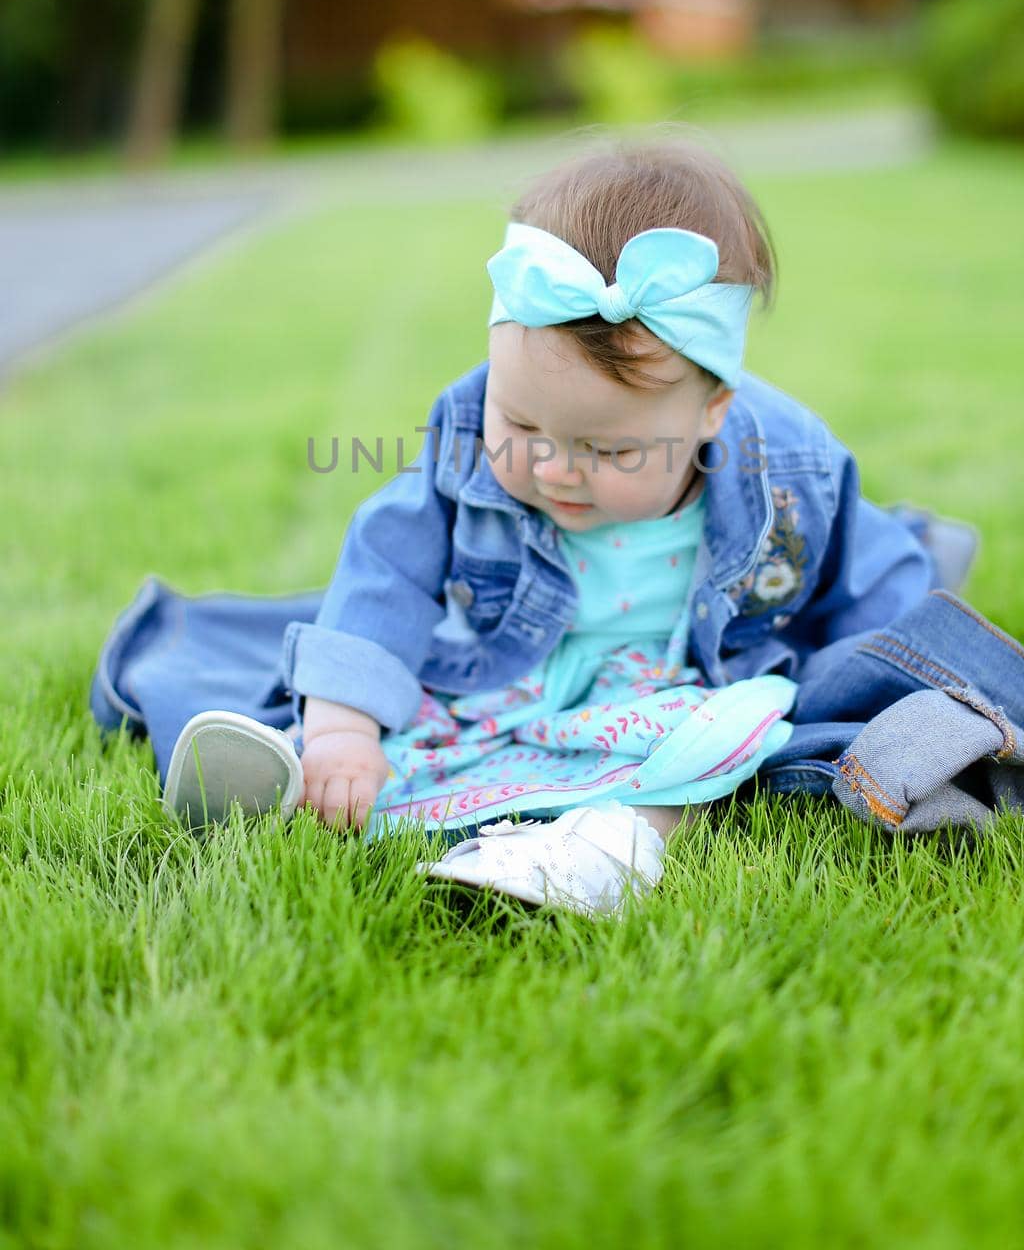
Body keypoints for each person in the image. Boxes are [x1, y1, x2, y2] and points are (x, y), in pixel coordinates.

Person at [159, 131, 977, 916]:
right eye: (519, 426)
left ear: (711, 411)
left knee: (738, 741)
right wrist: (343, 728)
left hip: (689, 681)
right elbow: (388, 567)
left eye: (608, 450)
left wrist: (882, 699)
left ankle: (613, 846)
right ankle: (302, 776)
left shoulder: (790, 470)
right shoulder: (464, 431)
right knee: (377, 722)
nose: (551, 468)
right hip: (514, 669)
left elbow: (871, 588)